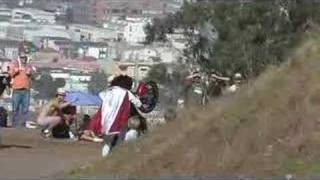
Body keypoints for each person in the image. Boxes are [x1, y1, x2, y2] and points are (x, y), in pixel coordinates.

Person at [100, 75, 145, 157]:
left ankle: (104, 160)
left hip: (105, 122)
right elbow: (139, 105)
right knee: (132, 133)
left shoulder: (107, 92)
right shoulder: (126, 92)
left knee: (108, 143)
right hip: (118, 123)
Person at [8, 53, 35, 128]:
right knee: (15, 109)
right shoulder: (15, 66)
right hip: (17, 90)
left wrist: (30, 73)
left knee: (25, 109)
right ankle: (14, 125)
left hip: (26, 90)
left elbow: (34, 77)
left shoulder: (29, 66)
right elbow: (10, 74)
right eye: (22, 58)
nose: (23, 59)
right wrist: (16, 71)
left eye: (24, 58)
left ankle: (23, 126)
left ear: (26, 58)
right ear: (19, 58)